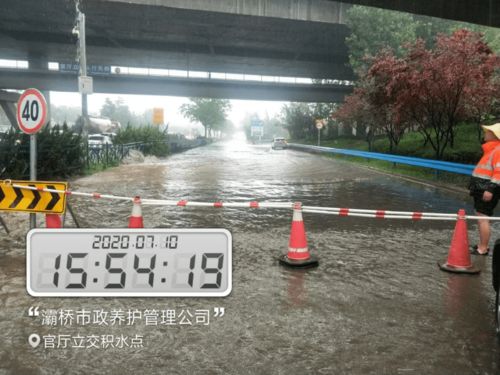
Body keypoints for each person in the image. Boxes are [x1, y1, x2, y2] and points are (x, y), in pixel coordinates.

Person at [469, 121, 500, 255]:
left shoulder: (498, 150)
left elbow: (499, 173)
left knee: (483, 218)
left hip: (487, 189)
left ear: (495, 135)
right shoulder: (491, 150)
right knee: (481, 217)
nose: (485, 133)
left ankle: (483, 248)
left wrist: (490, 189)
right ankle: (482, 245)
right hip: (482, 188)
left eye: (488, 131)